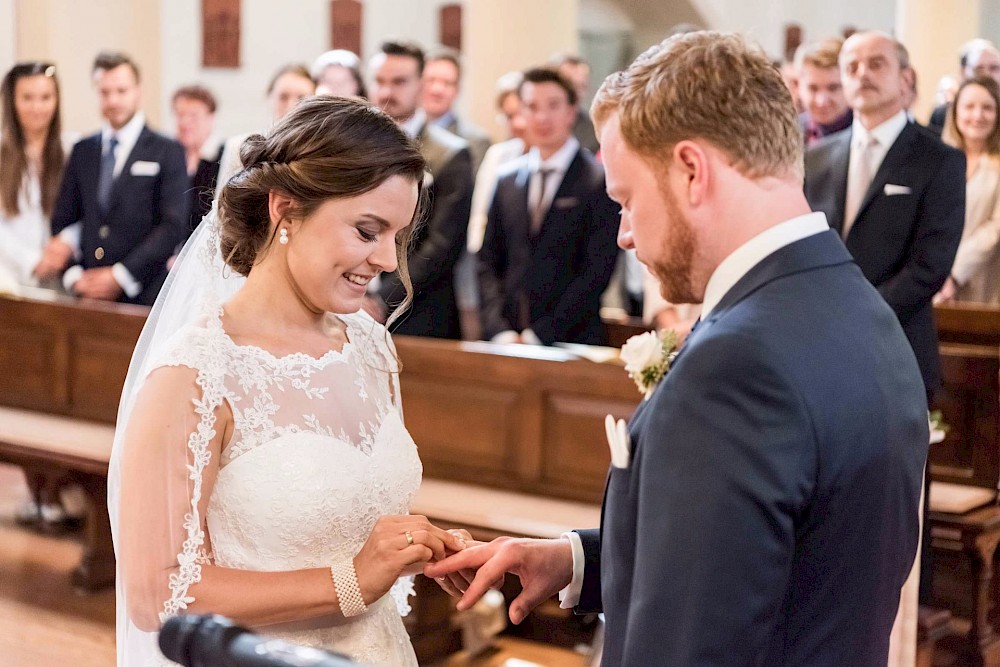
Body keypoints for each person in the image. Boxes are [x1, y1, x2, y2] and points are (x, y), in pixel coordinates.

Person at [428, 31, 928, 666]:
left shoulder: (736, 366)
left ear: (692, 170)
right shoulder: (858, 308)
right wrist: (579, 560)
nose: (627, 234)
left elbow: (693, 645)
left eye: (628, 199)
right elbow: (774, 559)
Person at [110, 96, 469, 667]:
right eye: (367, 230)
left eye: (396, 236)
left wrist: (417, 546)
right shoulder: (197, 371)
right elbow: (161, 595)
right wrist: (352, 579)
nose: (383, 259)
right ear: (285, 210)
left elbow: (353, 508)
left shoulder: (370, 347)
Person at [477, 68, 618, 345]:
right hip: (506, 339)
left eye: (553, 106)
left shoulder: (597, 179)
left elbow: (596, 270)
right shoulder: (507, 179)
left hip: (572, 340)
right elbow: (486, 261)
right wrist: (499, 330)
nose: (542, 117)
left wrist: (539, 335)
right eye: (531, 107)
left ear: (571, 110)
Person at [0, 61, 82, 531]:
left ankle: (53, 494)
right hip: (13, 283)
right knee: (25, 387)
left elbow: (86, 210)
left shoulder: (71, 152)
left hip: (57, 284)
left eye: (45, 98)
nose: (37, 107)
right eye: (28, 98)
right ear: (14, 103)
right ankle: (35, 492)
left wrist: (62, 245)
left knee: (57, 389)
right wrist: (30, 258)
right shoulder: (4, 152)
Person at [42, 51, 189, 305]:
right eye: (104, 92)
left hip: (143, 294)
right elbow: (65, 218)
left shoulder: (167, 150)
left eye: (121, 91)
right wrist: (75, 275)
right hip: (85, 294)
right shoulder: (83, 150)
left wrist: (121, 275)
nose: (113, 100)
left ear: (138, 91)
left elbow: (172, 226)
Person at [370, 41, 473, 340]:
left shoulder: (451, 154)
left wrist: (382, 300)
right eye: (380, 81)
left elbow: (441, 246)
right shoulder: (357, 148)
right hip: (356, 303)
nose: (387, 92)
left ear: (421, 84)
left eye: (399, 82)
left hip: (420, 313)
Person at [936, 76, 1000, 305]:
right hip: (934, 281)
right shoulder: (938, 161)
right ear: (955, 113)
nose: (977, 116)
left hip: (986, 283)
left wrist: (954, 274)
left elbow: (994, 229)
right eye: (969, 107)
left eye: (987, 108)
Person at [216, 64, 315, 194]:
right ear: (270, 98)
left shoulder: (317, 149)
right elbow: (221, 205)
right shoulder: (238, 146)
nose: (291, 105)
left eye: (301, 98)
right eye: (283, 97)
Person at [421, 50, 491, 172]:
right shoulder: (403, 132)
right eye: (431, 80)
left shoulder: (476, 141)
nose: (437, 89)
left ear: (457, 89)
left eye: (447, 83)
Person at [171, 84, 222, 242]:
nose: (185, 122)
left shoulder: (221, 158)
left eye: (193, 115)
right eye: (180, 115)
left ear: (210, 118)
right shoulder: (168, 157)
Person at [795, 38, 852, 145]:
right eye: (813, 88)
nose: (821, 101)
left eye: (833, 88)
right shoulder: (786, 133)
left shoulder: (866, 137)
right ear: (799, 86)